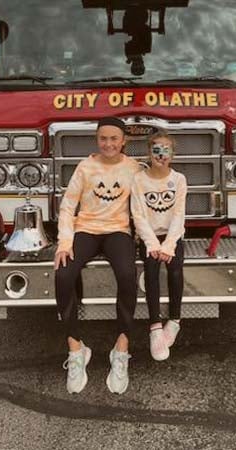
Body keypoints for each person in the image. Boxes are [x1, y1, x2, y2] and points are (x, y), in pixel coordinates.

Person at [54, 116, 142, 395]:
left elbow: (146, 202)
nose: (108, 144)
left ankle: (121, 348)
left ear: (123, 141)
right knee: (63, 274)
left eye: (114, 138)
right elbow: (68, 206)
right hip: (86, 230)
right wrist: (64, 243)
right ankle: (77, 348)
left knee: (128, 275)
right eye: (103, 138)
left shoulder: (134, 169)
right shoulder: (86, 167)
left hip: (118, 231)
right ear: (97, 139)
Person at [131, 132, 186, 361]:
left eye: (166, 150)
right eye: (156, 150)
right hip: (149, 237)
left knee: (175, 270)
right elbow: (138, 215)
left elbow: (179, 214)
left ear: (172, 154)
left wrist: (169, 245)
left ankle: (174, 321)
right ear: (149, 152)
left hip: (172, 237)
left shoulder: (179, 179)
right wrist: (152, 243)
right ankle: (155, 326)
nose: (161, 155)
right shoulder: (139, 180)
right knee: (151, 271)